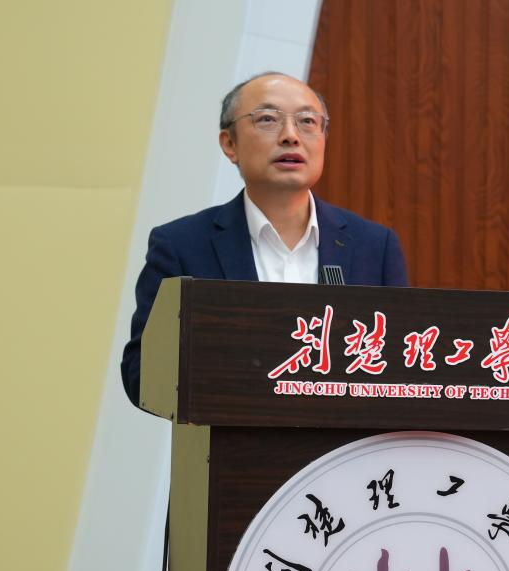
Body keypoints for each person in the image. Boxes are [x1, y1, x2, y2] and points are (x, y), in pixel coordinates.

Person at [120, 72, 409, 407]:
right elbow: (142, 374)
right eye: (268, 119)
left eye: (307, 121)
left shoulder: (374, 246)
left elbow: (402, 368)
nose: (290, 136)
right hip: (230, 436)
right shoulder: (181, 245)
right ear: (229, 144)